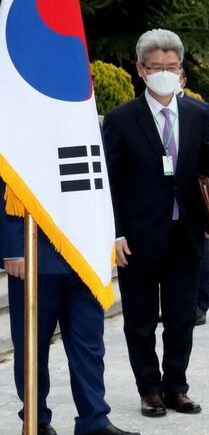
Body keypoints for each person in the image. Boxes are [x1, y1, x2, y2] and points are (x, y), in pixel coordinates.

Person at [103, 29, 209, 418]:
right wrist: (115, 232)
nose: (164, 73)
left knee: (181, 317)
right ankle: (149, 390)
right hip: (138, 236)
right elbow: (112, 181)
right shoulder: (122, 119)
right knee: (139, 318)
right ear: (141, 69)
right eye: (156, 67)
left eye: (171, 67)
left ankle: (176, 387)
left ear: (181, 70)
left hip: (186, 232)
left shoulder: (199, 113)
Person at [0, 182, 139, 435]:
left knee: (89, 345)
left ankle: (94, 421)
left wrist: (113, 234)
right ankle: (36, 419)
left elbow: (103, 180)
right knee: (31, 346)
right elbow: (7, 175)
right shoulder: (20, 138)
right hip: (35, 251)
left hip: (86, 254)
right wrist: (11, 247)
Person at [178, 74, 209, 326]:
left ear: (183, 79)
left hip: (195, 195)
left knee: (199, 253)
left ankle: (199, 304)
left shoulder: (200, 111)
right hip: (164, 198)